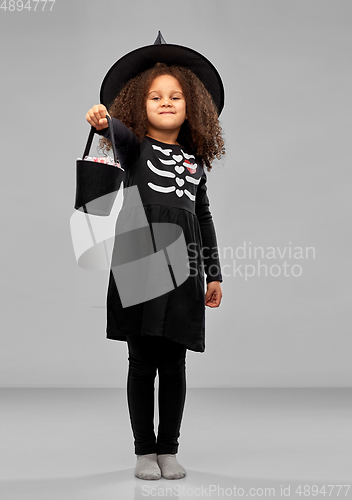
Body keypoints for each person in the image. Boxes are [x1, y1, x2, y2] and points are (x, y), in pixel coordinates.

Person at [85, 32, 225, 481]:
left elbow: (202, 215)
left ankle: (169, 449)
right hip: (140, 260)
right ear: (137, 105)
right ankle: (144, 451)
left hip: (183, 267)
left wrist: (214, 274)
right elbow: (114, 133)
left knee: (176, 362)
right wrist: (103, 122)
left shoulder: (195, 162)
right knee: (142, 360)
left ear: (194, 106)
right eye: (155, 96)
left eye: (176, 96)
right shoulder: (133, 149)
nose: (166, 102)